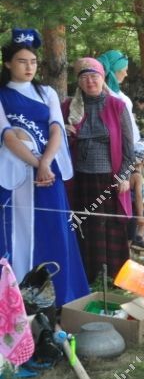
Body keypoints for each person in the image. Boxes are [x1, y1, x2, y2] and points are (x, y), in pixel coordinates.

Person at [0, 29, 89, 306]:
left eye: (33, 62)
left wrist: (47, 163)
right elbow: (7, 135)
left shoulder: (47, 92)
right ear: (7, 64)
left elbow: (56, 129)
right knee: (14, 231)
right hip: (15, 174)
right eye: (22, 61)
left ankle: (59, 298)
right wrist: (37, 164)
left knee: (53, 229)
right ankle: (13, 300)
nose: (29, 67)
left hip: (48, 175)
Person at [64, 57, 135, 283]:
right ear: (78, 81)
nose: (90, 81)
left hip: (110, 178)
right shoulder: (68, 107)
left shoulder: (117, 106)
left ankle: (115, 275)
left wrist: (124, 175)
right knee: (86, 225)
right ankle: (89, 274)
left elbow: (128, 146)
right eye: (84, 77)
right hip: (81, 178)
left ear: (103, 78)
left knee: (111, 225)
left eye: (94, 76)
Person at [97, 50, 141, 145]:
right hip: (123, 147)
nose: (126, 74)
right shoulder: (104, 94)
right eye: (125, 70)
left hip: (133, 146)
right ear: (115, 70)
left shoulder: (115, 91)